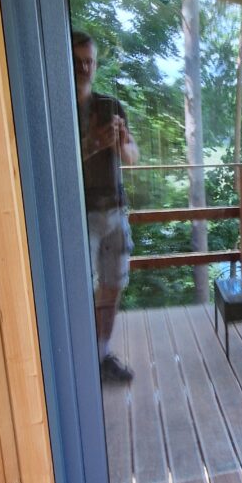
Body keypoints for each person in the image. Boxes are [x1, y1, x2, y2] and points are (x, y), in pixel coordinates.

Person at [72, 30, 139, 382]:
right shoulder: (57, 106)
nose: (85, 68)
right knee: (79, 290)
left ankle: (101, 355)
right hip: (77, 216)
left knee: (112, 286)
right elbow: (52, 163)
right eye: (78, 61)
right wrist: (94, 143)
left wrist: (121, 143)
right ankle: (78, 361)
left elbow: (133, 157)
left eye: (90, 61)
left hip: (115, 211)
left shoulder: (110, 105)